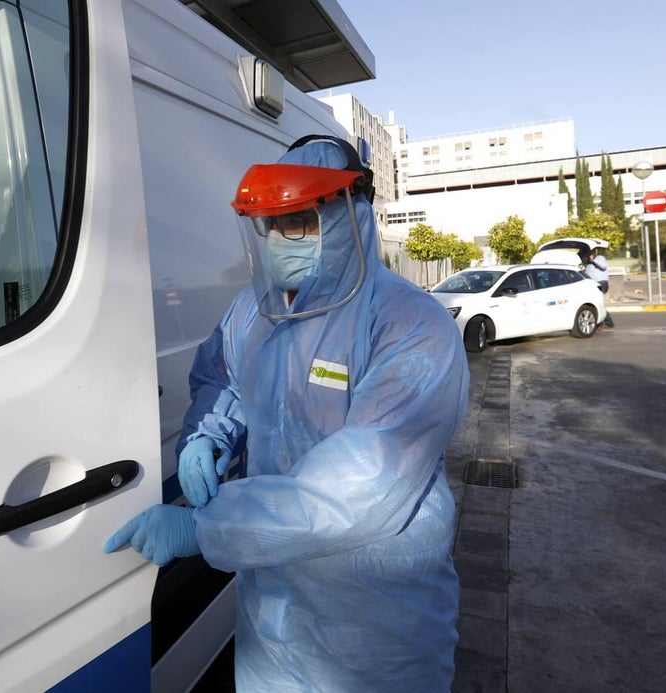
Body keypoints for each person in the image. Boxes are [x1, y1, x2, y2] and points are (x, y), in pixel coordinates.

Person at [104, 135, 470, 691]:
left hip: (376, 630)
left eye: (297, 220)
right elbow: (223, 377)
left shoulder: (410, 324)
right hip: (271, 613)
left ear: (352, 214)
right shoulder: (255, 310)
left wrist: (205, 528)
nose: (279, 239)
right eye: (270, 224)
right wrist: (210, 433)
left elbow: (363, 485)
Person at [584, 248, 615, 327]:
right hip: (592, 284)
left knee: (597, 302)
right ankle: (601, 321)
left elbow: (604, 266)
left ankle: (608, 321)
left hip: (601, 283)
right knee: (594, 303)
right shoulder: (588, 263)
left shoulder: (599, 258)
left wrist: (594, 260)